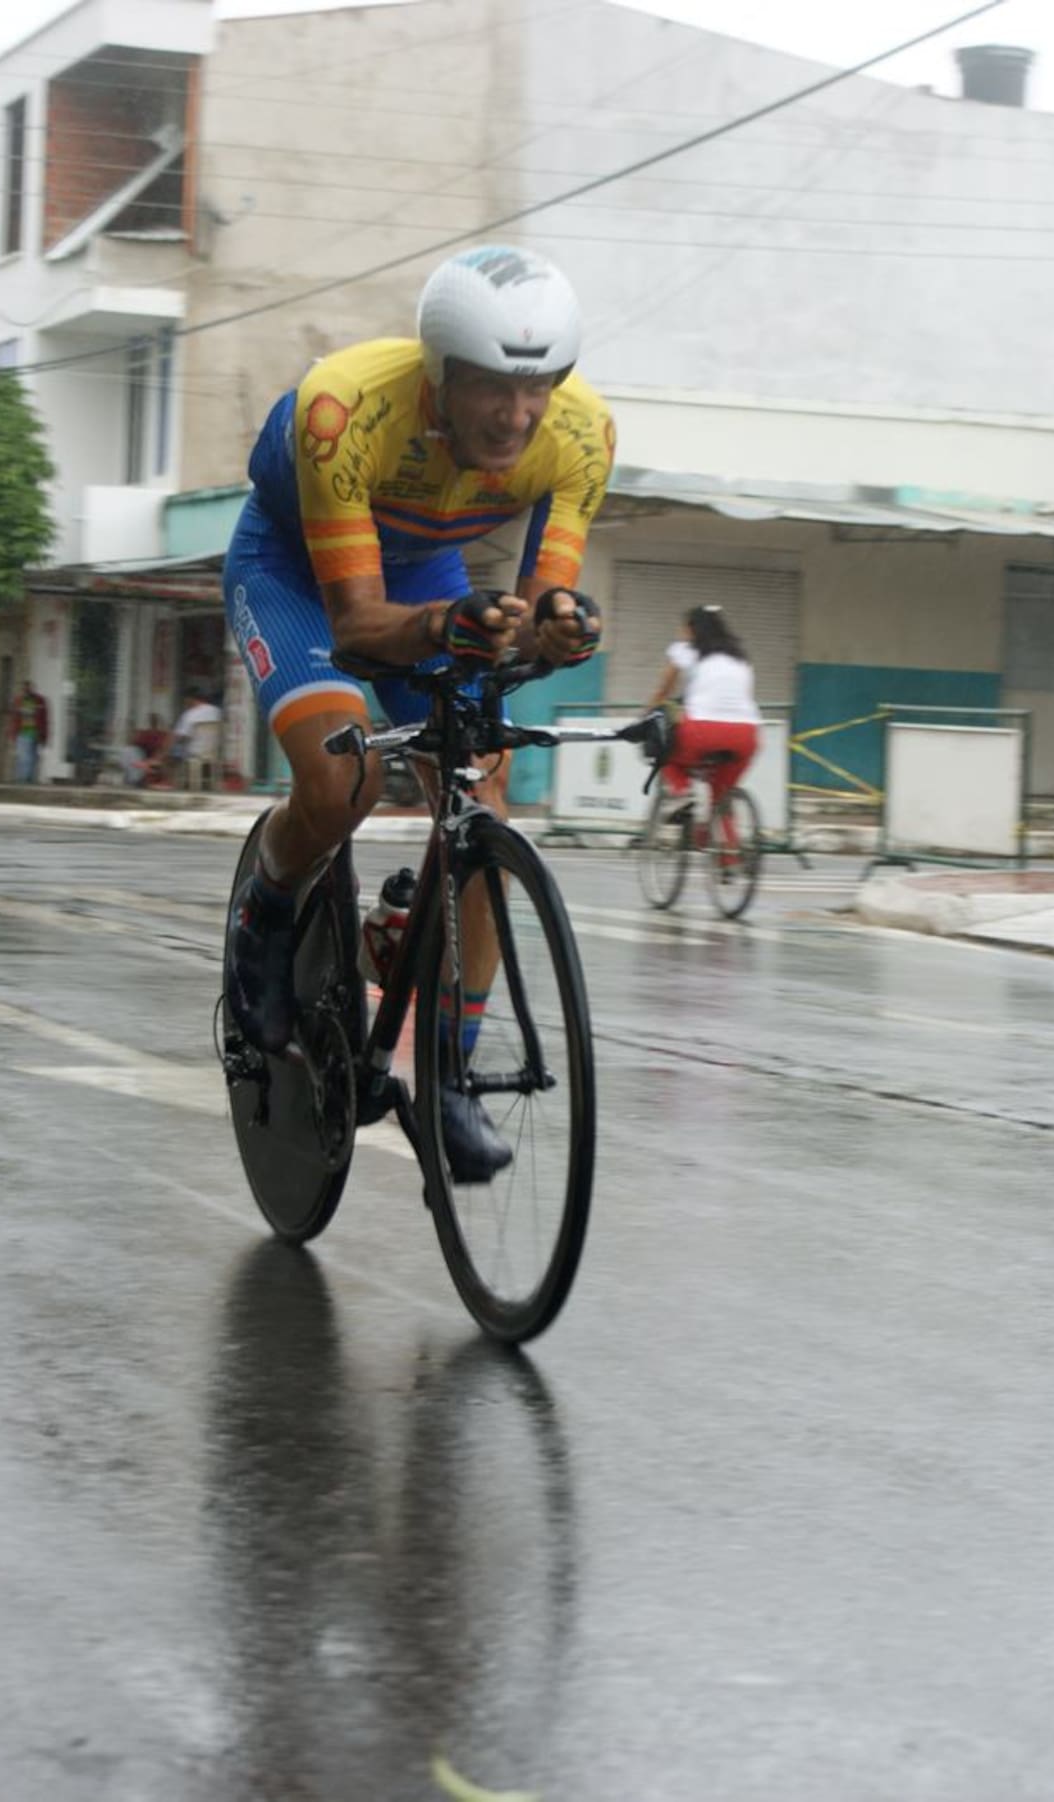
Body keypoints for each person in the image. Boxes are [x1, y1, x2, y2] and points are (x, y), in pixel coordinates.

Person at [223, 243, 612, 1180]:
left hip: (425, 571)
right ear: (440, 373)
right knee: (340, 776)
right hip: (298, 572)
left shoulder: (584, 432)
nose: (520, 415)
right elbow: (358, 627)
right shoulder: (344, 408)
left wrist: (553, 630)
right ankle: (267, 917)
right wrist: (454, 622)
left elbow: (536, 612)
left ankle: (445, 1075)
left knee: (486, 795)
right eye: (494, 389)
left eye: (540, 388)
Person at [648, 606, 762, 843]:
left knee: (665, 753)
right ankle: (728, 859)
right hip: (746, 735)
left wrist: (648, 712)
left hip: (703, 730)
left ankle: (682, 794)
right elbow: (746, 696)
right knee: (720, 796)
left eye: (683, 627)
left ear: (691, 630)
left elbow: (664, 688)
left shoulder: (686, 650)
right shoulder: (740, 658)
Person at [168, 687, 223, 791]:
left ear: (190, 699)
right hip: (213, 751)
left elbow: (180, 736)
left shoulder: (189, 714)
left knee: (172, 749)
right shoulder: (217, 711)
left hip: (194, 752)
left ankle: (171, 782)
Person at [9, 678, 49, 784]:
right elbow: (14, 718)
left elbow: (44, 718)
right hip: (22, 733)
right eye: (25, 688)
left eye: (29, 688)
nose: (27, 690)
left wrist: (45, 735)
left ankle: (29, 779)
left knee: (33, 758)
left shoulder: (40, 701)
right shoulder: (18, 700)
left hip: (35, 733)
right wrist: (12, 733)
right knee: (23, 757)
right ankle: (23, 779)